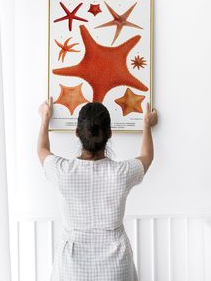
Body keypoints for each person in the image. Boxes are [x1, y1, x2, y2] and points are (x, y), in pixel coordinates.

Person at [37, 97, 158, 281]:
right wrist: (147, 126)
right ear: (110, 134)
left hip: (72, 269)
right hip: (116, 268)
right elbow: (147, 156)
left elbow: (42, 150)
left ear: (77, 133)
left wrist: (45, 118)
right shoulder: (121, 173)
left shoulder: (62, 171)